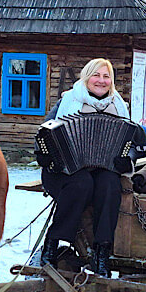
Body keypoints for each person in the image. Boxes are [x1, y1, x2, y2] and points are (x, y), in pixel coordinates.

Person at [38, 58, 133, 277]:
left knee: (110, 186)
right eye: (96, 75)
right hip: (63, 169)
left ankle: (101, 252)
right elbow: (45, 131)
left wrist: (125, 160)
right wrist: (45, 154)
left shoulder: (119, 106)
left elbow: (131, 141)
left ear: (112, 81)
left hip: (102, 168)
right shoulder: (69, 100)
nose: (101, 80)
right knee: (81, 183)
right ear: (86, 77)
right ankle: (54, 242)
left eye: (106, 76)